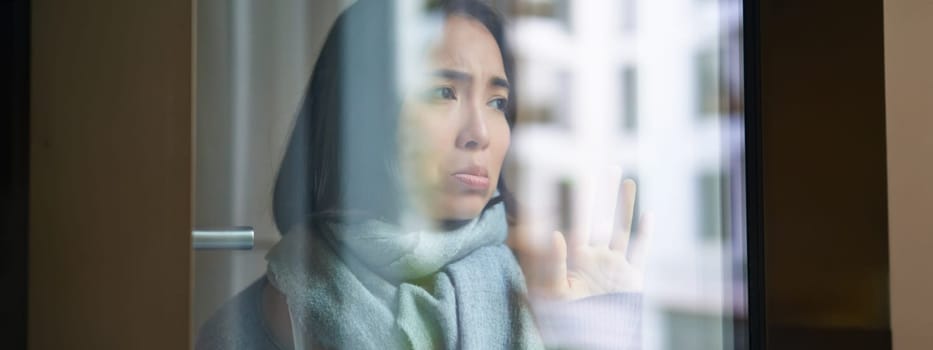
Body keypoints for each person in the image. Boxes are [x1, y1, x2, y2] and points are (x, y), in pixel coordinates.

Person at [196, 0, 650, 349]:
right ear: (360, 114)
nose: (479, 133)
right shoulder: (246, 326)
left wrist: (592, 335)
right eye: (442, 92)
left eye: (497, 103)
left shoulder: (543, 291)